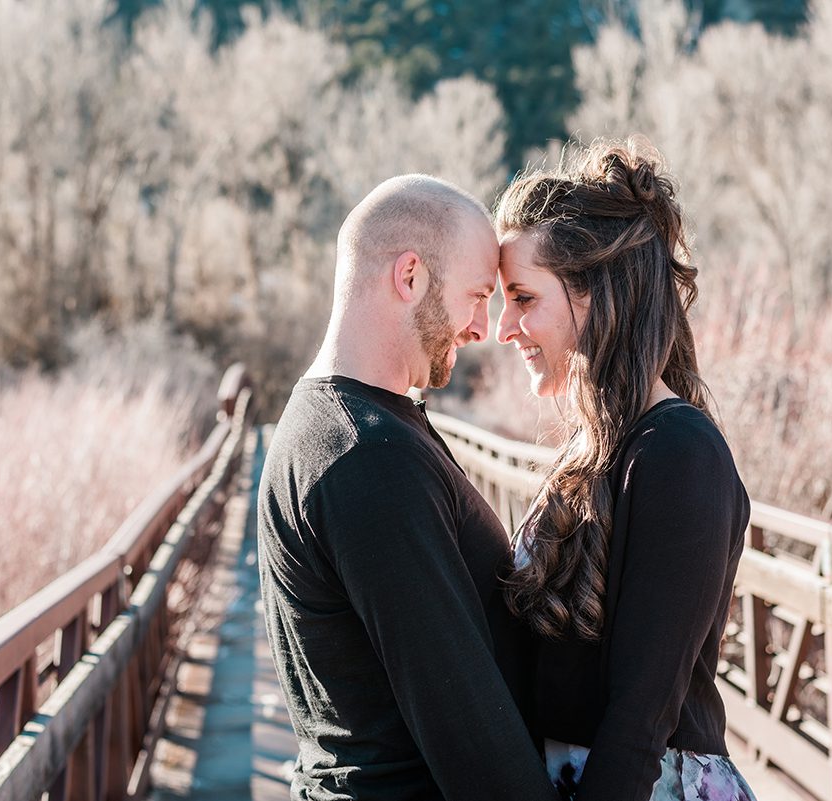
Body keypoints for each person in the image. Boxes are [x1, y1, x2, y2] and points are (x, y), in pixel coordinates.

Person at [257, 174, 560, 801]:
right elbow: (465, 722)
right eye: (477, 296)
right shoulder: (368, 458)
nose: (482, 328)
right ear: (411, 276)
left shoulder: (335, 428)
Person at [493, 139, 758, 801]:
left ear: (594, 296)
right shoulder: (598, 450)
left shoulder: (678, 454)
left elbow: (643, 715)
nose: (504, 327)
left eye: (524, 297)